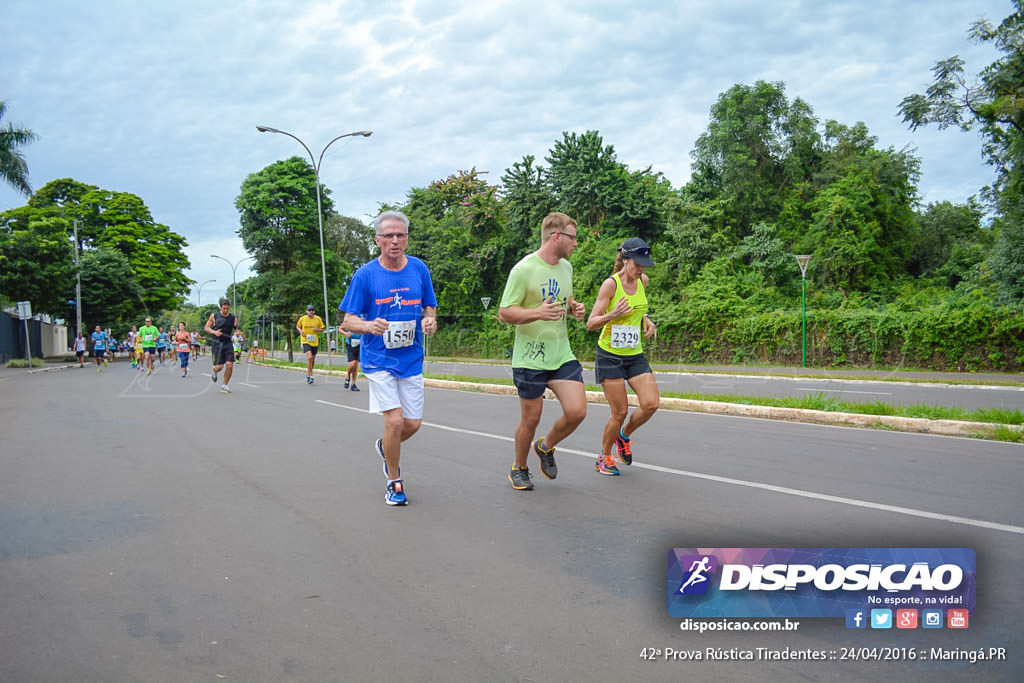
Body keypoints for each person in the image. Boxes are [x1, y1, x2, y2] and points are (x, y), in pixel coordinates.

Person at [339, 210, 438, 506]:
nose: (395, 241)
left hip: (410, 358)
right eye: (388, 236)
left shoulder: (419, 269)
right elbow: (348, 321)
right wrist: (369, 326)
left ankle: (385, 446)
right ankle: (394, 481)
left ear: (407, 238)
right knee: (394, 421)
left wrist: (430, 321)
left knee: (413, 424)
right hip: (378, 359)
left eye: (400, 235)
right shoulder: (365, 275)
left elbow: (429, 307)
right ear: (377, 240)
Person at [498, 212, 587, 491]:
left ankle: (545, 446)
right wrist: (537, 312)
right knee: (531, 418)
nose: (576, 243)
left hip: (560, 353)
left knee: (577, 412)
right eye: (572, 237)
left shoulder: (567, 268)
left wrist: (575, 308)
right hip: (530, 356)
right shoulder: (523, 270)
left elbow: (564, 300)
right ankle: (519, 467)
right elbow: (504, 312)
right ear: (556, 236)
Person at [585, 237, 660, 475]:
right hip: (610, 356)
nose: (641, 269)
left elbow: (638, 309)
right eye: (637, 263)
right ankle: (603, 457)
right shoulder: (611, 285)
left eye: (644, 264)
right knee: (619, 411)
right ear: (625, 260)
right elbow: (591, 323)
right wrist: (612, 314)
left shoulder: (643, 281)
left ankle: (623, 436)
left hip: (634, 355)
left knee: (651, 404)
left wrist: (647, 320)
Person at [204, 298, 240, 393]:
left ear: (229, 308)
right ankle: (214, 370)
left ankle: (224, 385)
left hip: (228, 343)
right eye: (224, 308)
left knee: (229, 364)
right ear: (221, 307)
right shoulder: (214, 316)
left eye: (227, 308)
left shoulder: (233, 318)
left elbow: (236, 328)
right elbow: (206, 328)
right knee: (219, 367)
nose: (225, 310)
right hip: (217, 344)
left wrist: (237, 331)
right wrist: (214, 332)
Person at [295, 304, 325, 385]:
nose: (311, 312)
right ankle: (311, 375)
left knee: (313, 359)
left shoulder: (318, 319)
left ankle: (308, 373)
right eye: (309, 310)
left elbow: (322, 329)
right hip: (305, 340)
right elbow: (297, 326)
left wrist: (317, 329)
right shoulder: (302, 319)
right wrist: (301, 332)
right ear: (306, 311)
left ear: (314, 311)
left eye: (312, 310)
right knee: (309, 357)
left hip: (314, 341)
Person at [340, 325, 361, 391]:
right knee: (352, 364)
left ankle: (353, 384)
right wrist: (345, 333)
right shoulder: (349, 319)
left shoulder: (364, 318)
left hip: (360, 344)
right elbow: (340, 329)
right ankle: (348, 376)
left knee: (356, 365)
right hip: (350, 344)